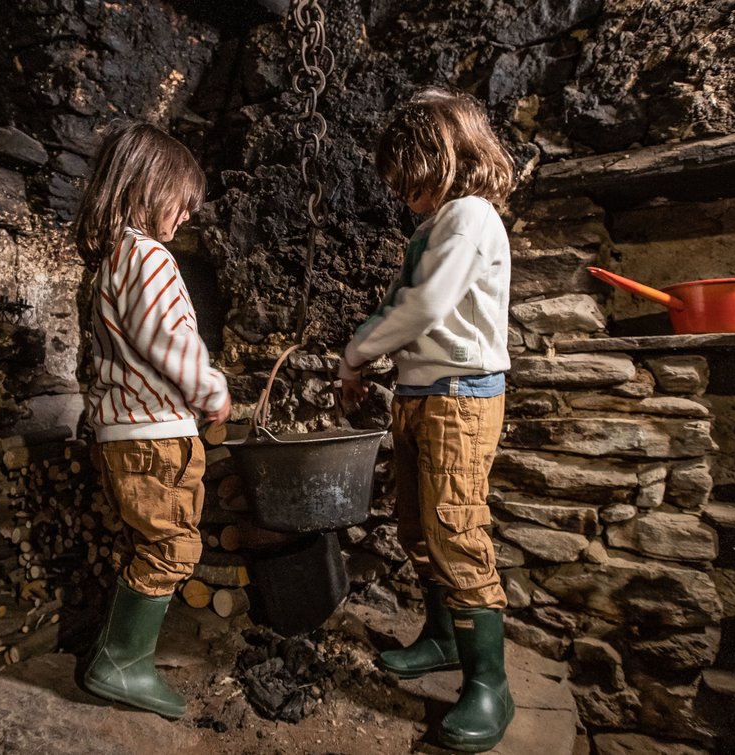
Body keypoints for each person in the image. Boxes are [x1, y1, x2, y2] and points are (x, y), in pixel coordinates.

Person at [338, 88, 516, 752]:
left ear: (442, 158)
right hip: (418, 396)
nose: (404, 197)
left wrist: (356, 351)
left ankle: (489, 685)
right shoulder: (432, 227)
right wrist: (363, 359)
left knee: (454, 529)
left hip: (459, 398)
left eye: (411, 183)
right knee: (418, 525)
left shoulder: (470, 216)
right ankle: (443, 637)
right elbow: (399, 303)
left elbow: (427, 304)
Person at [73, 121, 231, 719]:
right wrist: (211, 389)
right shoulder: (148, 257)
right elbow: (171, 338)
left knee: (155, 542)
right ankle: (120, 664)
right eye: (181, 201)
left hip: (129, 432)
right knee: (171, 547)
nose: (187, 215)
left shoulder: (113, 261)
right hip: (153, 435)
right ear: (147, 185)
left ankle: (123, 655)